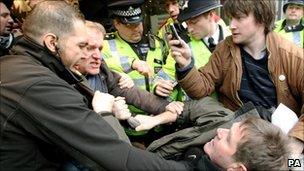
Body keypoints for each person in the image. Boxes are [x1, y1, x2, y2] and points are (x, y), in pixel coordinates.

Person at [0, 1, 194, 170]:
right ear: (52, 43)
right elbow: (113, 155)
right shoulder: (39, 84)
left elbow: (126, 91)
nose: (88, 55)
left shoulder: (21, 65)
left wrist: (164, 106)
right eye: (81, 46)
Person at [168, 0, 304, 144]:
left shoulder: (294, 57)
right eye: (231, 18)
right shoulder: (225, 49)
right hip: (234, 136)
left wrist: (296, 143)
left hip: (277, 141)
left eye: (239, 18)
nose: (231, 25)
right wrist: (186, 64)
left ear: (262, 17)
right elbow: (201, 89)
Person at [72, 20, 184, 145]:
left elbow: (131, 93)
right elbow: (77, 128)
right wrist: (108, 112)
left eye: (100, 49)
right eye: (90, 48)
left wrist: (165, 106)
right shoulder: (62, 81)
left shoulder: (102, 72)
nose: (98, 56)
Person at [102, 0, 171, 142]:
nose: (136, 29)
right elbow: (102, 66)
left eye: (138, 23)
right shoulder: (105, 45)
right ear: (116, 24)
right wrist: (131, 63)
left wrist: (160, 85)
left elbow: (168, 70)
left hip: (160, 120)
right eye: (129, 25)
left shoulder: (156, 43)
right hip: (130, 124)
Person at [153, 0, 230, 101]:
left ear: (211, 14)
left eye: (194, 22)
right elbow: (165, 75)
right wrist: (158, 85)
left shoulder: (234, 38)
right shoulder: (184, 46)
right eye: (187, 23)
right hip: (200, 112)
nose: (189, 29)